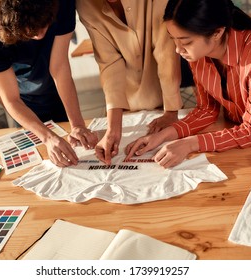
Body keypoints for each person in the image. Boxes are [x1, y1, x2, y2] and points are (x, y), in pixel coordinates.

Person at [125, 0, 251, 168]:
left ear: (217, 32)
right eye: (173, 39)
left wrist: (189, 144)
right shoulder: (198, 52)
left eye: (185, 41)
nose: (178, 50)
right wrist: (161, 137)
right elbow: (207, 109)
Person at [0, 0, 97, 167]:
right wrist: (47, 137)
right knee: (44, 159)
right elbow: (11, 100)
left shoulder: (62, 4)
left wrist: (77, 124)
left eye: (44, 25)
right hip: (24, 102)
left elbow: (59, 67)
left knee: (72, 147)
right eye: (30, 32)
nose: (40, 35)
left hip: (56, 90)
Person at [76, 0, 193, 165]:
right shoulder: (85, 4)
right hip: (128, 98)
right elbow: (109, 63)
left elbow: (165, 51)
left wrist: (171, 112)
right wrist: (113, 130)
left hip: (164, 89)